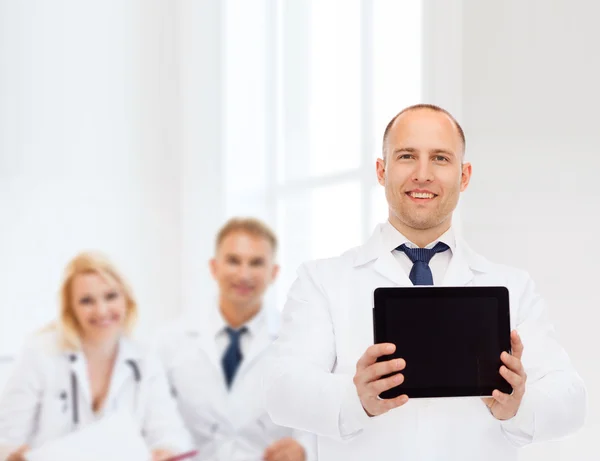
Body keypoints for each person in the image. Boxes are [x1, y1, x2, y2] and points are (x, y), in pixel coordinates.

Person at [263, 104, 587, 461]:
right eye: (406, 156)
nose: (422, 174)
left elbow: (571, 400)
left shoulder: (512, 287)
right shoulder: (322, 281)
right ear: (381, 170)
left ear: (464, 176)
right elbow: (281, 392)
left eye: (440, 159)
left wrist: (517, 407)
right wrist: (356, 400)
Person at [0, 252, 193, 461]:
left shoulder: (144, 359)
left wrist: (166, 450)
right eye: (86, 301)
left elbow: (169, 434)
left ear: (126, 300)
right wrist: (13, 455)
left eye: (111, 296)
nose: (101, 311)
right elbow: (6, 438)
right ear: (71, 309)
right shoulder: (40, 353)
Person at [158, 218, 315, 461]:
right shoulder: (171, 341)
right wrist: (164, 447)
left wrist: (305, 449)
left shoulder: (299, 340)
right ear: (214, 267)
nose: (244, 274)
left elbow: (319, 418)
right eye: (233, 261)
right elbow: (156, 419)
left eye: (256, 263)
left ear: (274, 272)